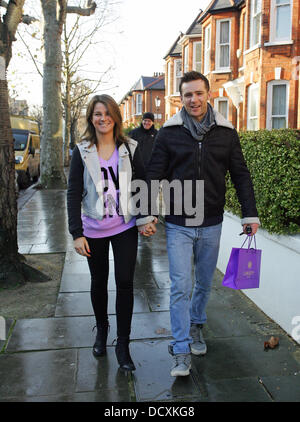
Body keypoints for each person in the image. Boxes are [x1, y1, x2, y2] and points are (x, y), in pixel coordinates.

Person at [146, 71, 260, 377]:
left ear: (208, 94)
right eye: (187, 95)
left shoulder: (226, 132)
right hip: (179, 223)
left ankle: (196, 326)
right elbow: (154, 173)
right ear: (181, 98)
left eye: (198, 93)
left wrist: (250, 213)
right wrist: (146, 213)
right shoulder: (168, 132)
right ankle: (181, 348)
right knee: (181, 285)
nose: (193, 100)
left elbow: (240, 174)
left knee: (203, 283)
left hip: (212, 222)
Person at [67, 94, 156, 372]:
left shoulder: (129, 147)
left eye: (107, 113)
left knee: (125, 282)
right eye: (97, 113)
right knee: (99, 282)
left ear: (115, 117)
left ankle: (123, 344)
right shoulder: (82, 151)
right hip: (93, 229)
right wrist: (76, 233)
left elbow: (142, 183)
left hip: (124, 228)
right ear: (91, 118)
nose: (102, 118)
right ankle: (102, 331)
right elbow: (72, 193)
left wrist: (145, 218)